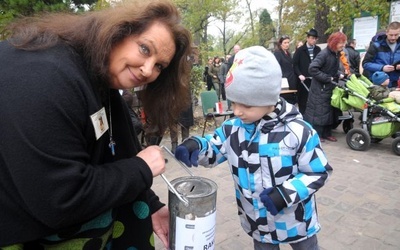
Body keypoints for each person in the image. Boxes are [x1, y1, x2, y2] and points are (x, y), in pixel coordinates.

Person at [0, 0, 192, 249]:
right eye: (145, 49)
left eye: (159, 66)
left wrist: (152, 205)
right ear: (118, 32)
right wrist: (141, 169)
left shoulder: (100, 78)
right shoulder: (43, 78)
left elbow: (121, 151)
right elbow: (61, 200)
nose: (147, 71)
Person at [174, 46, 332, 250]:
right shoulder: (232, 129)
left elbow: (318, 172)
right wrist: (197, 145)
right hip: (258, 223)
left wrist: (285, 194)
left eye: (246, 105)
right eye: (234, 102)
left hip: (296, 223)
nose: (237, 111)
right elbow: (214, 147)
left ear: (269, 99)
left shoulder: (298, 132)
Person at [304, 32, 348, 142]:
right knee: (319, 112)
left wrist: (339, 74)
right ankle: (318, 134)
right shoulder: (324, 54)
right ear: (334, 43)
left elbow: (331, 68)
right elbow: (312, 68)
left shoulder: (335, 54)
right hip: (320, 88)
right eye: (341, 43)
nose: (343, 45)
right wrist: (327, 78)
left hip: (329, 87)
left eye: (343, 43)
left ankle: (327, 133)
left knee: (330, 111)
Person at [293, 28, 321, 115]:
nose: (313, 40)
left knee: (315, 100)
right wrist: (299, 74)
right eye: (312, 38)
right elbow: (295, 64)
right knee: (303, 101)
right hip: (303, 80)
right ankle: (303, 117)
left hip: (315, 79)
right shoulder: (300, 50)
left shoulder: (318, 49)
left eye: (315, 38)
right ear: (307, 38)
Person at [363, 21, 400, 88]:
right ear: (386, 32)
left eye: (396, 35)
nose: (393, 38)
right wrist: (382, 68)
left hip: (395, 83)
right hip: (379, 84)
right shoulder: (376, 45)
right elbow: (365, 64)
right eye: (391, 35)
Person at [274, 35, 297, 105]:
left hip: (291, 79)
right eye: (285, 43)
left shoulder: (288, 53)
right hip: (284, 80)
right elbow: (277, 67)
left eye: (288, 42)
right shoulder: (278, 53)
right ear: (281, 44)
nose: (287, 44)